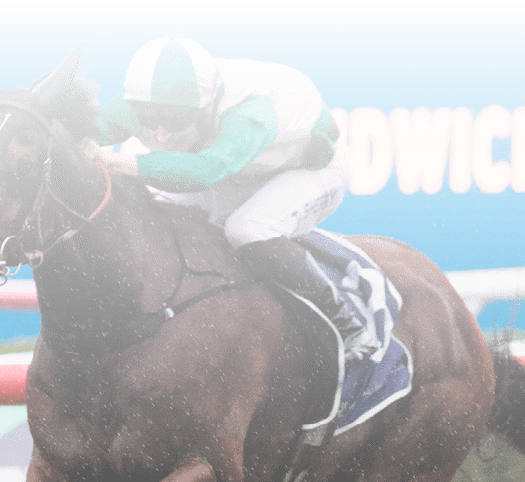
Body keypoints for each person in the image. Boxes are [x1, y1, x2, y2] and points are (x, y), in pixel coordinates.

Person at [86, 36, 367, 357]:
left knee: (248, 229)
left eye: (176, 120)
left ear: (208, 107)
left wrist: (114, 160)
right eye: (149, 117)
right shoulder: (151, 102)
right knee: (160, 220)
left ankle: (344, 318)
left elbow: (206, 170)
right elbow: (79, 128)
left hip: (308, 171)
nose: (160, 133)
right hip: (235, 171)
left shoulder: (250, 109)